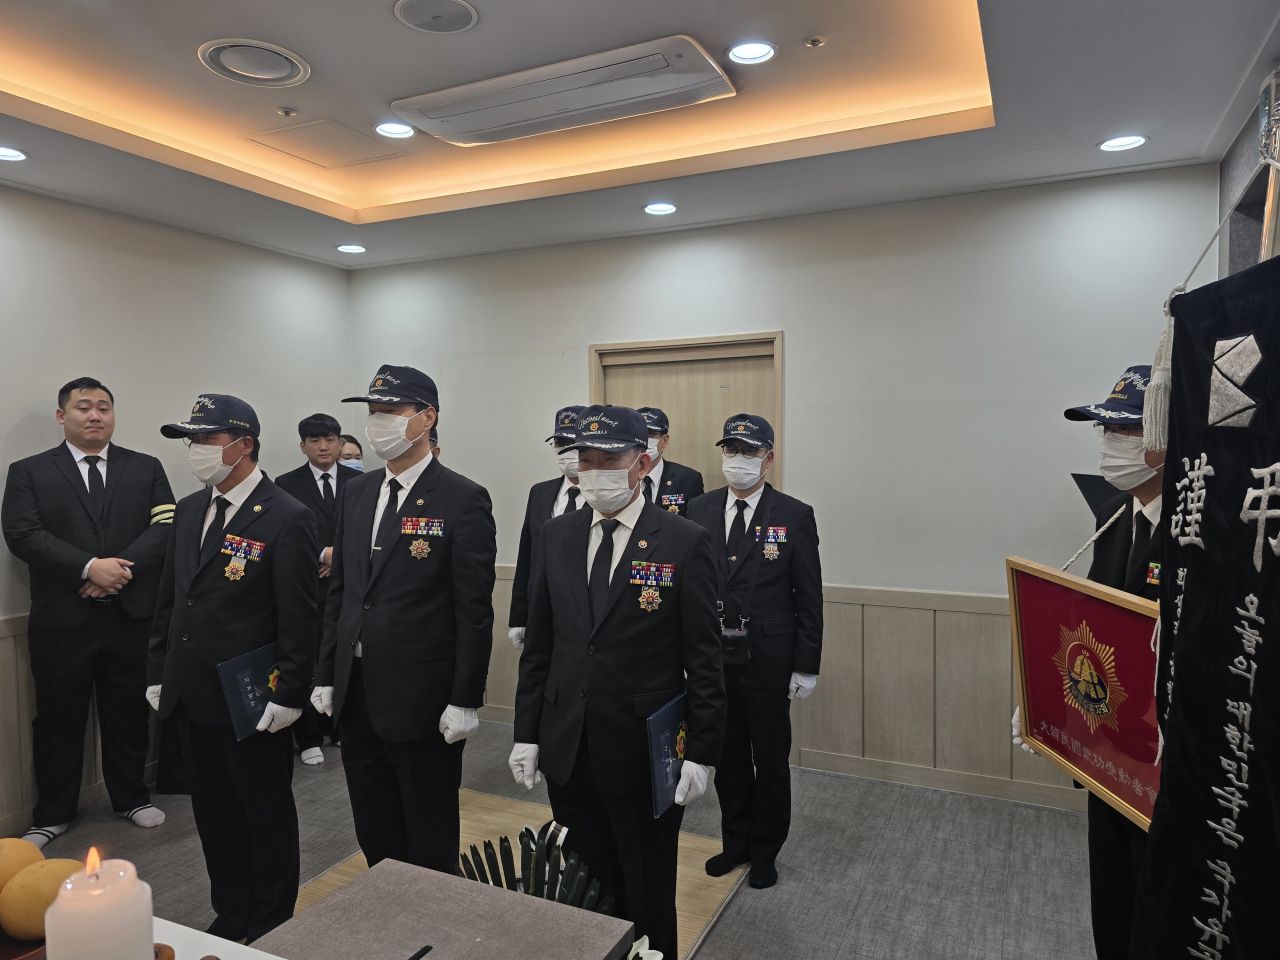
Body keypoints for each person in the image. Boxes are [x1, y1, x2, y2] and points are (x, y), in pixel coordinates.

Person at [510, 404, 725, 960]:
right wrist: (527, 732)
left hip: (642, 752)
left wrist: (703, 754)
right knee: (585, 885)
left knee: (646, 888)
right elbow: (542, 646)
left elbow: (705, 660)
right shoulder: (556, 534)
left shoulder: (683, 540)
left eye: (609, 459)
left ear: (642, 462)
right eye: (585, 459)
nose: (595, 471)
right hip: (568, 745)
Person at [147, 394, 319, 942]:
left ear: (243, 445)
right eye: (191, 440)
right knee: (213, 812)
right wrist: (159, 669)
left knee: (264, 811)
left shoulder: (288, 515)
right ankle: (232, 908)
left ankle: (270, 918)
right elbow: (172, 597)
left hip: (251, 696)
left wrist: (290, 692)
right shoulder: (189, 509)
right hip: (193, 690)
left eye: (206, 439)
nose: (195, 450)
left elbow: (300, 616)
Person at [312, 365, 496, 875]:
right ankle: (385, 903)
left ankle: (432, 912)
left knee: (427, 825)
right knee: (373, 820)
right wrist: (326, 672)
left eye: (391, 411)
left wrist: (465, 697)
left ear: (426, 417)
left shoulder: (462, 497)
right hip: (357, 688)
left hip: (423, 693)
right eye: (373, 412)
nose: (378, 422)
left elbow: (473, 610)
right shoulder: (357, 491)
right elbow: (343, 591)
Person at [1, 377, 174, 849]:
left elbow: (166, 524)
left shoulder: (145, 467)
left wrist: (117, 570)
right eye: (83, 407)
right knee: (57, 719)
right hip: (62, 619)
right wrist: (88, 567)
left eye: (103, 407)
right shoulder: (29, 471)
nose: (95, 415)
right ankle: (52, 814)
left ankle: (131, 797)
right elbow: (22, 533)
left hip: (129, 616)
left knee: (128, 712)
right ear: (62, 416)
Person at [687, 413, 823, 889]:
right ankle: (736, 842)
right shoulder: (699, 509)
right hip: (714, 660)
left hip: (769, 661)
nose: (738, 459)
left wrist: (806, 665)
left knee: (769, 760)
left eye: (749, 451)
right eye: (731, 450)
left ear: (769, 458)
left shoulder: (793, 514)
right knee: (726, 759)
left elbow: (808, 596)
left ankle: (766, 851)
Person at [1061, 366, 1163, 960]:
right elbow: (1096, 627)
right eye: (1106, 428)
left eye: (1126, 430)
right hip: (1109, 751)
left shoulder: (1202, 531)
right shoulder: (1113, 515)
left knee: (1157, 902)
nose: (1110, 443)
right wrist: (1056, 702)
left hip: (1165, 762)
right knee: (1112, 892)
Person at [274, 413, 359, 764]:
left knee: (342, 658)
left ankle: (339, 728)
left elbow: (368, 532)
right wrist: (323, 554)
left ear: (340, 443)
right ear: (303, 446)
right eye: (314, 441)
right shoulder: (285, 483)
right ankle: (308, 736)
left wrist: (341, 557)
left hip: (349, 588)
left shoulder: (361, 481)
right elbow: (284, 534)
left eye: (329, 439)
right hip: (306, 586)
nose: (323, 446)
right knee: (307, 660)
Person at [508, 405, 586, 651]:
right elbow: (527, 555)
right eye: (560, 443)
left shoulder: (605, 498)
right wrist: (518, 617)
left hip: (583, 614)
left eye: (573, 443)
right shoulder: (540, 493)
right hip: (540, 609)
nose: (566, 451)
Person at [636, 407, 704, 516]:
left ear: (664, 441)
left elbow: (696, 524)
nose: (642, 440)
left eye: (650, 434)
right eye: (638, 434)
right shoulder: (621, 476)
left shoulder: (688, 480)